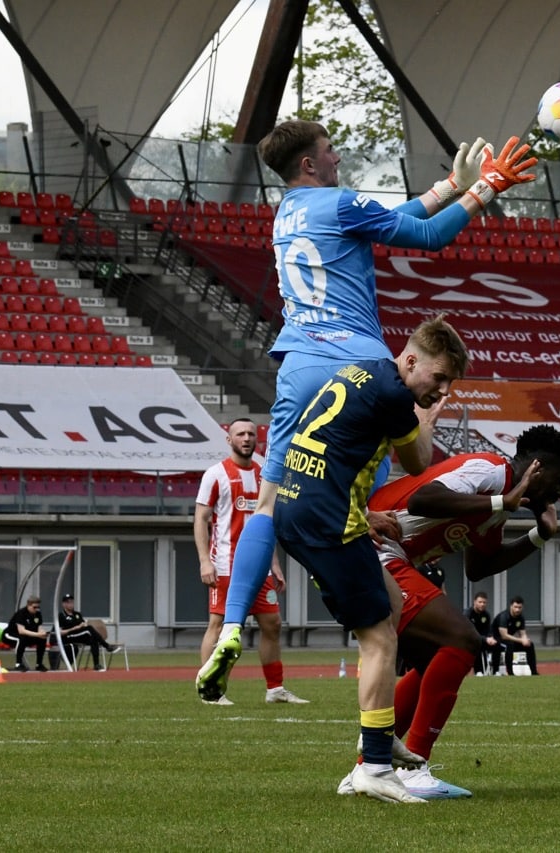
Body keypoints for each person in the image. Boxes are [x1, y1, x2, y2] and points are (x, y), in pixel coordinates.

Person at [198, 119, 536, 705]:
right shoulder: (340, 200)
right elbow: (424, 239)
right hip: (355, 363)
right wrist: (485, 190)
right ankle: (386, 635)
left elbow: (380, 221)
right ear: (309, 163)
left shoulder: (290, 213)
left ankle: (232, 628)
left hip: (298, 366)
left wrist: (444, 188)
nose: (337, 157)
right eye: (330, 151)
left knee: (268, 504)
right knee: (394, 478)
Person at [268, 315, 470, 803]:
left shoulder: (364, 371)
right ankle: (374, 766)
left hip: (308, 507)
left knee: (394, 598)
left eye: (448, 383)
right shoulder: (395, 394)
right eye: (437, 378)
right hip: (325, 521)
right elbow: (420, 462)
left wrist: (362, 511)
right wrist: (427, 415)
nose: (440, 389)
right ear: (410, 359)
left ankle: (374, 738)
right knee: (379, 638)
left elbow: (337, 452)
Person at [365, 425, 560, 798]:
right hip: (373, 547)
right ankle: (414, 769)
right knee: (462, 640)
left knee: (437, 657)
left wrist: (538, 537)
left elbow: (479, 566)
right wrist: (500, 503)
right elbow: (423, 500)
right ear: (538, 469)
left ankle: (371, 763)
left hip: (388, 558)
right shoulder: (489, 470)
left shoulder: (501, 498)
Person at [195, 417, 309, 706]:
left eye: (250, 433)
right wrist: (203, 562)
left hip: (259, 565)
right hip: (225, 565)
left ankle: (275, 689)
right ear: (229, 439)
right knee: (219, 623)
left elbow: (265, 522)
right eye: (239, 434)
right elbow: (201, 519)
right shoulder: (215, 474)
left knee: (272, 623)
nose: (246, 438)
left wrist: (275, 564)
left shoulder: (264, 474)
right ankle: (211, 691)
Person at [54, 593, 118, 672]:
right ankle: (107, 646)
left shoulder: (77, 614)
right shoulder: (61, 615)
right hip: (68, 637)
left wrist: (83, 625)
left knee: (93, 638)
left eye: (71, 602)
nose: (70, 604)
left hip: (80, 635)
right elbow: (60, 632)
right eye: (68, 602)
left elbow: (83, 625)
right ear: (63, 604)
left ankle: (96, 664)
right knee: (89, 629)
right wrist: (74, 628)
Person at [494, 596, 539, 676]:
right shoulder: (504, 616)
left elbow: (522, 633)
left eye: (519, 607)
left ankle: (534, 672)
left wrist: (525, 640)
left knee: (530, 645)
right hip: (497, 640)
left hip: (509, 640)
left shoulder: (520, 617)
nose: (517, 610)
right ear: (511, 606)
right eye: (515, 607)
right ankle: (510, 673)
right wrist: (521, 640)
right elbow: (504, 636)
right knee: (509, 645)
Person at [3, 595, 48, 672]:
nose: (36, 609)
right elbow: (21, 631)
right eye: (34, 607)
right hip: (10, 635)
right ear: (29, 606)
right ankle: (18, 664)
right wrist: (38, 634)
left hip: (26, 636)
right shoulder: (21, 613)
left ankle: (39, 664)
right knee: (21, 639)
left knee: (42, 639)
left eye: (38, 607)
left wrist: (43, 633)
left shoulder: (38, 614)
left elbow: (39, 628)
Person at [465, 592, 500, 675]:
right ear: (475, 602)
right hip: (469, 640)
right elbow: (469, 632)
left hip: (483, 639)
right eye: (480, 602)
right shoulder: (468, 614)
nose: (482, 604)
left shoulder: (486, 615)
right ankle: (478, 671)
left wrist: (491, 638)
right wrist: (485, 639)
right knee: (477, 644)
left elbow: (488, 630)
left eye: (484, 602)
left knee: (496, 645)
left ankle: (496, 671)